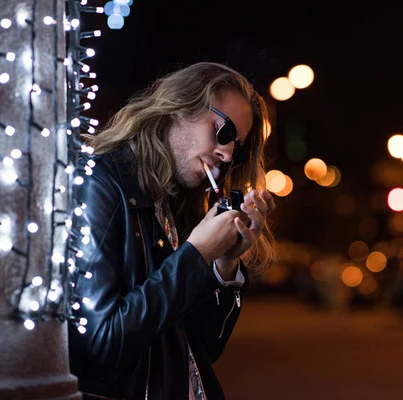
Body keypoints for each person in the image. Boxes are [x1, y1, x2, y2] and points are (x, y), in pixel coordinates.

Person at [68, 62, 276, 399]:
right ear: (179, 107)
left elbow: (203, 348)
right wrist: (195, 255)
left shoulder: (175, 202)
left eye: (235, 149)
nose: (225, 154)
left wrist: (223, 264)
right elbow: (100, 346)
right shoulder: (100, 184)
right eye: (223, 133)